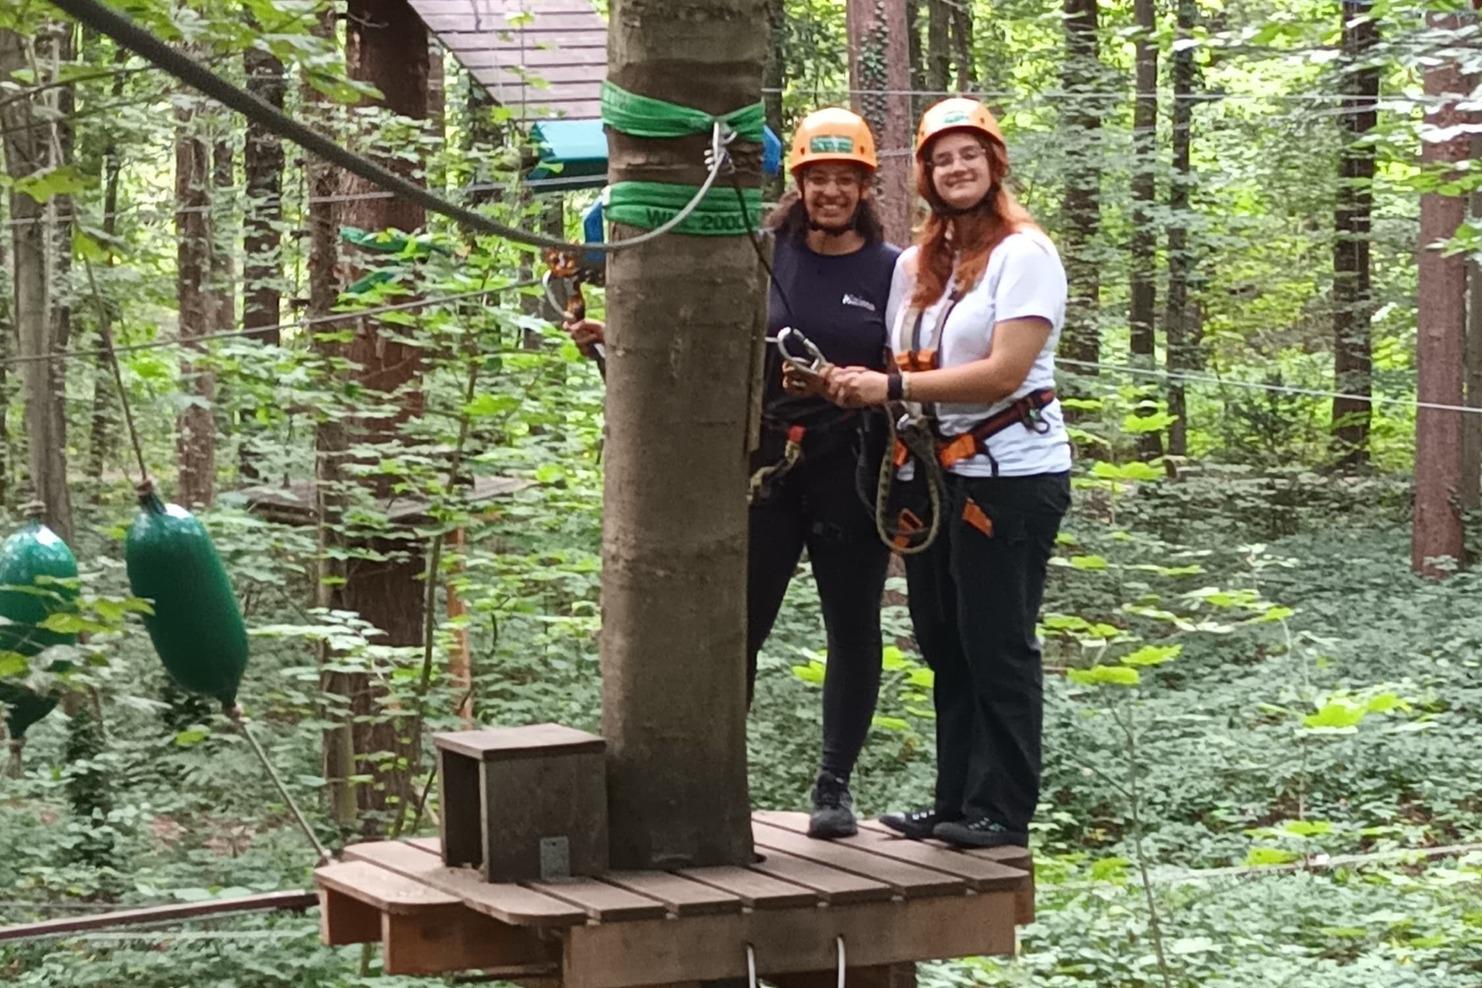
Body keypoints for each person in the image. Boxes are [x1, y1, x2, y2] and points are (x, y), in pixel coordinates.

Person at [564, 108, 901, 839]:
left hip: (850, 462)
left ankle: (834, 787)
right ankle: (721, 781)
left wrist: (862, 384)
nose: (831, 192)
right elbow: (705, 326)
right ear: (800, 184)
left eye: (845, 180)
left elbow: (910, 358)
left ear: (864, 188)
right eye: (819, 179)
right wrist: (613, 334)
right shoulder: (764, 250)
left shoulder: (890, 270)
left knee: (853, 627)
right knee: (738, 627)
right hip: (768, 465)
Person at [824, 97, 1071, 849]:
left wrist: (892, 390)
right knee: (943, 638)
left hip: (1010, 474)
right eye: (942, 158)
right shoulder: (919, 264)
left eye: (970, 155)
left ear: (995, 165)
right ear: (926, 175)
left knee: (997, 641)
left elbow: (1003, 373)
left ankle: (1003, 809)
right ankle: (956, 802)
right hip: (933, 474)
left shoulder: (1024, 255)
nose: (956, 168)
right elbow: (899, 359)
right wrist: (852, 383)